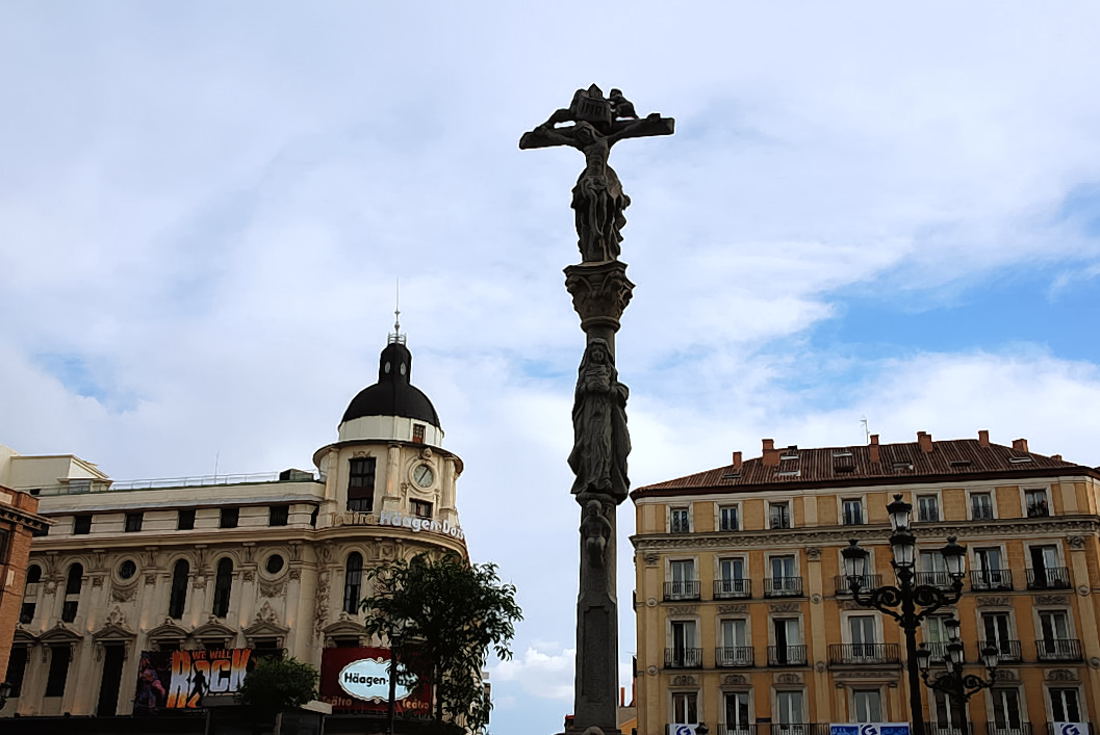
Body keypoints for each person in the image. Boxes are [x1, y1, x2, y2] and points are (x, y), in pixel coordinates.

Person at [568, 338, 630, 501]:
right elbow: (578, 395)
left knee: (604, 443)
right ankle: (590, 479)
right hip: (589, 414)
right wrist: (587, 388)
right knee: (589, 444)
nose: (597, 354)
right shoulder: (586, 372)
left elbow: (619, 390)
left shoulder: (609, 372)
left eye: (600, 352)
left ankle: (604, 478)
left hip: (605, 413)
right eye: (594, 351)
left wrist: (609, 390)